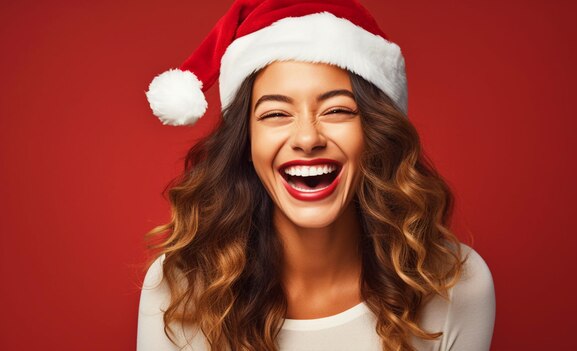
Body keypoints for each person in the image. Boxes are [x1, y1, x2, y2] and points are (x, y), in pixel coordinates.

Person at [137, 1, 496, 350]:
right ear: (246, 142)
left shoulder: (458, 285)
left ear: (375, 133)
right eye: (276, 114)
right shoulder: (176, 287)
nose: (308, 138)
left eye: (337, 110)